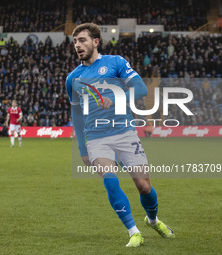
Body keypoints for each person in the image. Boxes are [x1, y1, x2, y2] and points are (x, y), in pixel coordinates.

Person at [66, 23, 175, 248]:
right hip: (96, 137)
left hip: (125, 133)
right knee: (110, 181)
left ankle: (152, 220)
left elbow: (141, 89)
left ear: (96, 42)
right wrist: (82, 148)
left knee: (144, 187)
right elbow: (76, 114)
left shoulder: (115, 62)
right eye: (75, 41)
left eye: (83, 40)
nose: (78, 45)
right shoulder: (73, 79)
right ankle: (133, 231)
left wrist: (115, 98)